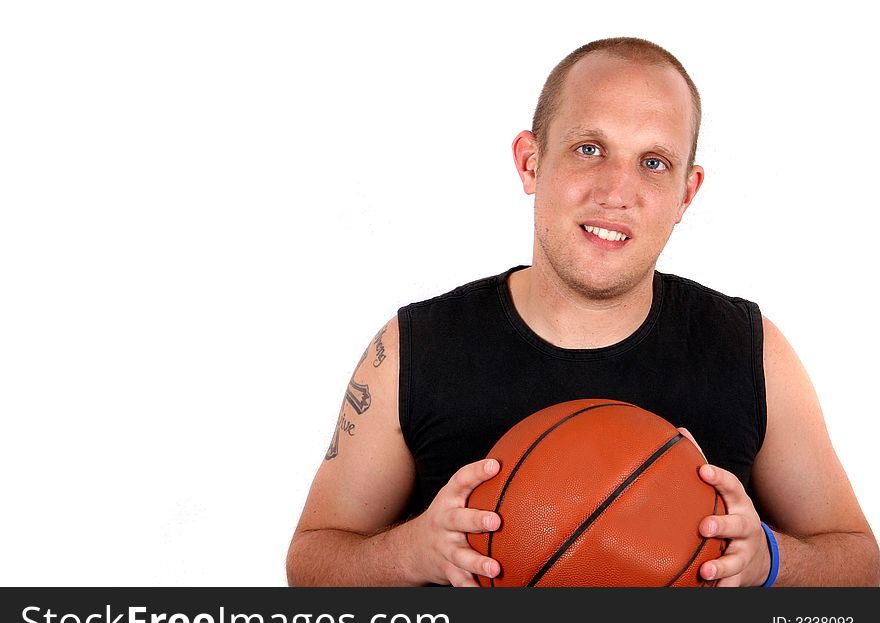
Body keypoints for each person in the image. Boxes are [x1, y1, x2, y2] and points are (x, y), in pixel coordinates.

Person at [285, 37, 880, 587]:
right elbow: (309, 562)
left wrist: (770, 559)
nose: (616, 190)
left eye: (653, 163)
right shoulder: (415, 347)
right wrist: (412, 551)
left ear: (686, 194)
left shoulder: (751, 349)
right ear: (530, 162)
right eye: (589, 149)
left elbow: (860, 561)